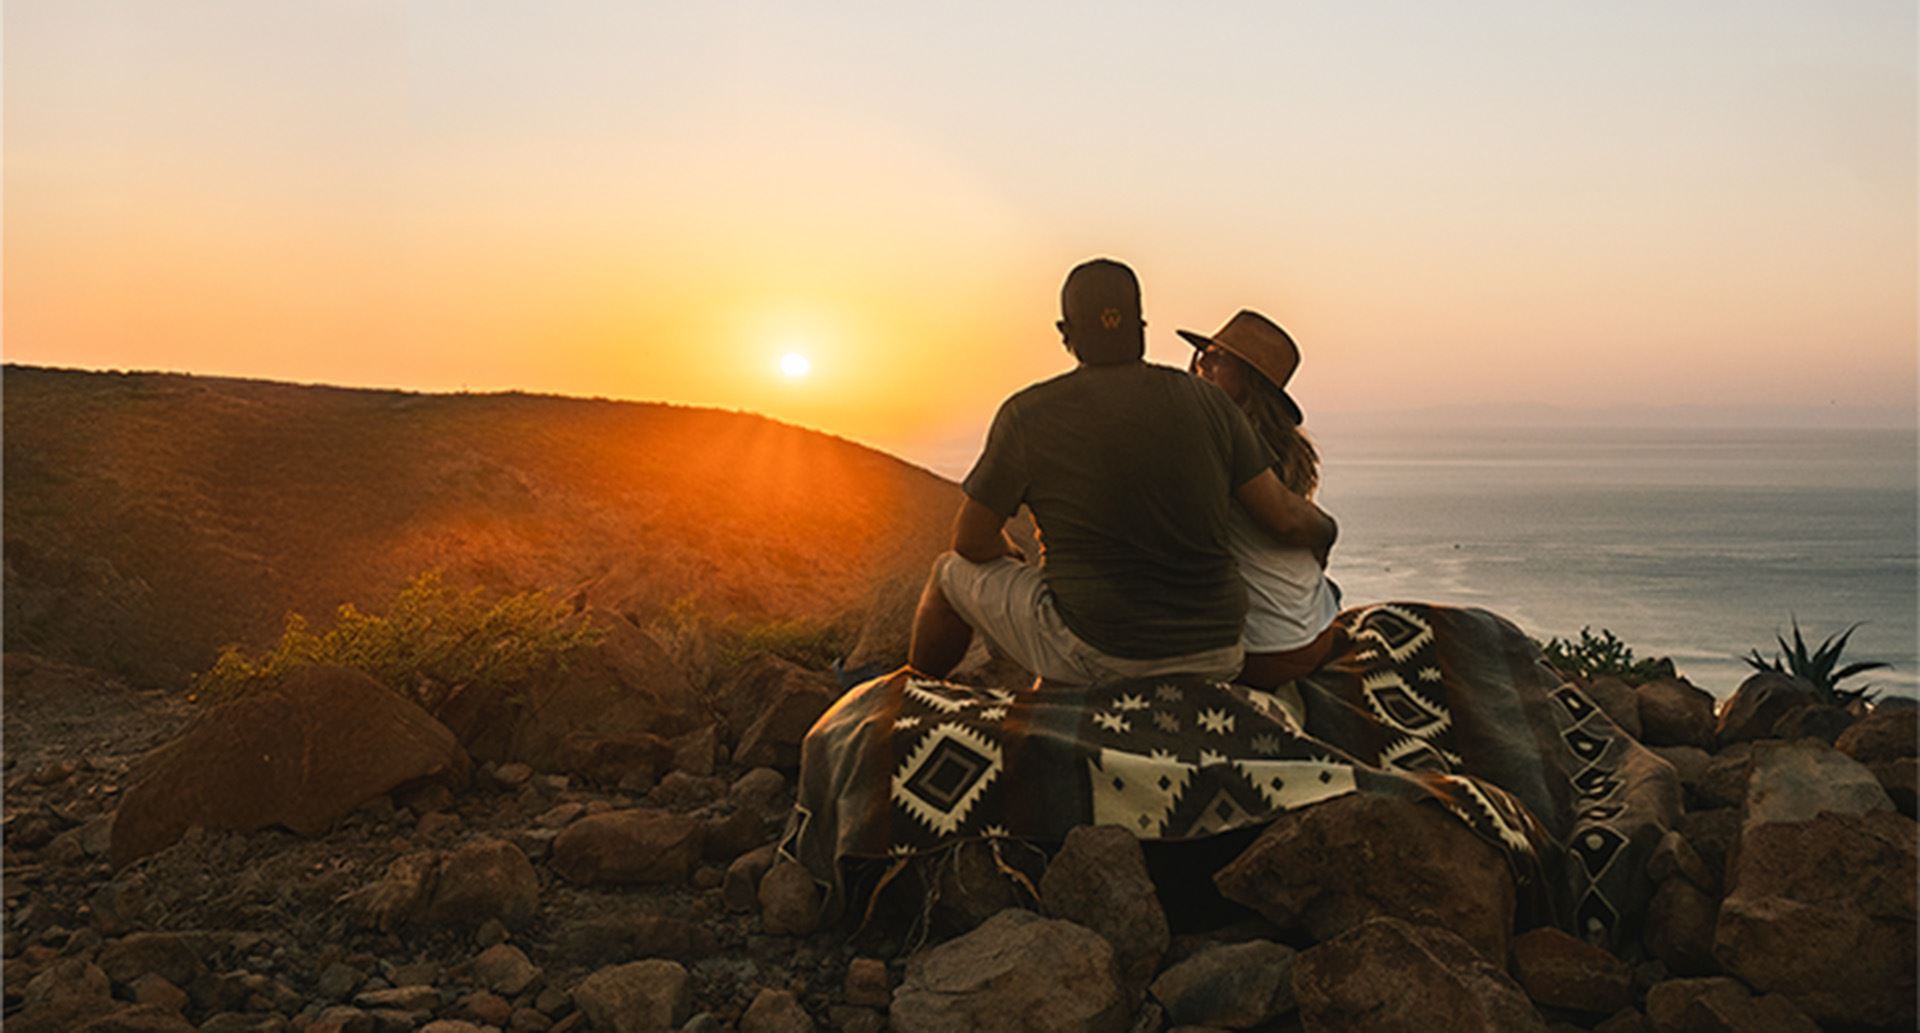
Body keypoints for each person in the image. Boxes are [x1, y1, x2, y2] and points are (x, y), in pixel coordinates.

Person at [906, 259, 1337, 687]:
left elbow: (969, 541)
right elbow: (1283, 516)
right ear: (1142, 328)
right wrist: (1326, 536)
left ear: (1065, 333)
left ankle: (909, 696)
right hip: (1219, 652)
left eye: (1213, 357)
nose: (1201, 364)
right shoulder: (1214, 409)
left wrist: (1011, 555)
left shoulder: (1028, 414)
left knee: (949, 572)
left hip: (1105, 652)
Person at [1180, 309, 1341, 686]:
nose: (1203, 361)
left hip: (1267, 653)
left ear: (1250, 379)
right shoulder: (1287, 450)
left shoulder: (1216, 441)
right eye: (1202, 353)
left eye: (1218, 357)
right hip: (1315, 632)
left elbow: (1283, 520)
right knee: (1325, 588)